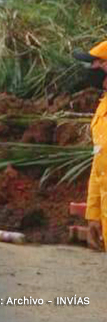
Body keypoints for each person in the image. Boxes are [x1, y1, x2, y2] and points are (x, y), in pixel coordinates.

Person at [74, 43, 107, 251]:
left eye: (95, 63)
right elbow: (99, 166)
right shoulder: (103, 107)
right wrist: (94, 215)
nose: (91, 69)